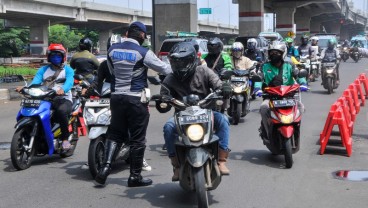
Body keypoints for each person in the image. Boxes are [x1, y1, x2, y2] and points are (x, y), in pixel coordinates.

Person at [94, 21, 172, 187]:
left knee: (114, 134)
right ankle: (135, 177)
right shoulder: (143, 52)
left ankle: (104, 169)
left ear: (127, 34)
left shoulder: (112, 50)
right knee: (137, 139)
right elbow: (165, 69)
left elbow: (111, 71)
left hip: (116, 98)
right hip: (136, 99)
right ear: (142, 35)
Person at [155, 42, 232, 180]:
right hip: (181, 116)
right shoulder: (170, 78)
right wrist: (162, 101)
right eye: (176, 62)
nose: (179, 66)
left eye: (183, 62)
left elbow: (218, 84)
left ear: (192, 60)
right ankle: (176, 165)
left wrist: (224, 88)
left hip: (206, 112)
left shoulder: (204, 71)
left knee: (223, 120)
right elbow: (164, 97)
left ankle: (221, 160)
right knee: (168, 127)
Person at [89, 34, 152, 172]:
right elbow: (97, 81)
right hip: (109, 99)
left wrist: (145, 97)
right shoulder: (105, 65)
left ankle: (139, 159)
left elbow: (142, 82)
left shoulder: (133, 62)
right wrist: (89, 90)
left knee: (136, 132)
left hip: (128, 99)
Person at [17, 44, 74, 151]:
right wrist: (25, 88)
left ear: (63, 57)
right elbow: (35, 82)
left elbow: (69, 82)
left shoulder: (68, 70)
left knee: (61, 111)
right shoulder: (43, 70)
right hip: (45, 97)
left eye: (58, 55)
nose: (55, 57)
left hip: (63, 98)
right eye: (53, 55)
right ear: (49, 57)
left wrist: (63, 90)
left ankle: (65, 139)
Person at [254, 44, 306, 138]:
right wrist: (257, 89)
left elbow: (298, 75)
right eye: (272, 52)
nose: (274, 54)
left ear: (282, 54)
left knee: (300, 107)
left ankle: (296, 128)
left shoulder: (289, 65)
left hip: (289, 96)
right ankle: (267, 132)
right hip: (271, 97)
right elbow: (259, 78)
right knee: (263, 108)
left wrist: (303, 83)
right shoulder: (264, 66)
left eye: (277, 52)